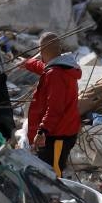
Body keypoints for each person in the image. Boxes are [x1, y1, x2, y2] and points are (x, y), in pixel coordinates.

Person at [20, 33, 81, 177]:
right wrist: (27, 63)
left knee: (54, 175)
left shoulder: (55, 74)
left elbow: (55, 109)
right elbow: (44, 67)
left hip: (58, 134)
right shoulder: (63, 66)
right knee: (47, 172)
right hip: (59, 131)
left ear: (42, 51)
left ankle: (57, 192)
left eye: (40, 50)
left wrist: (42, 132)